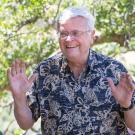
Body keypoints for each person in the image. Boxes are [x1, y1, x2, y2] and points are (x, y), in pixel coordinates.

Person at [7, 6, 135, 135]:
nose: (68, 39)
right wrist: (19, 98)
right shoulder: (44, 71)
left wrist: (127, 104)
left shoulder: (114, 70)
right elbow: (25, 124)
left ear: (91, 35)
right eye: (64, 33)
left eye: (75, 33)